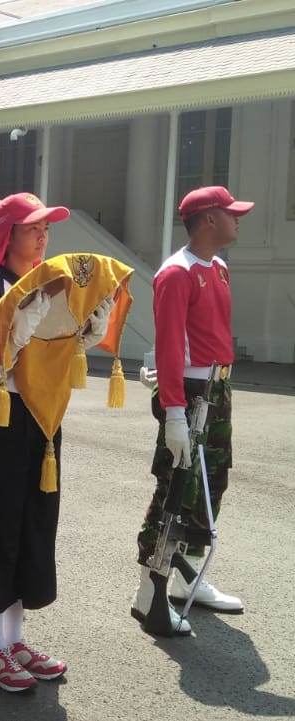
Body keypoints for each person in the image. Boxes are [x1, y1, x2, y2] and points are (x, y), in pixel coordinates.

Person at [0, 193, 118, 693]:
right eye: (33, 228)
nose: (43, 237)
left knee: (31, 525)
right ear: (8, 234)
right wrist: (19, 328)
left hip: (43, 421)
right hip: (4, 418)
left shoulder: (53, 286)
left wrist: (87, 332)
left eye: (46, 229)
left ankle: (15, 639)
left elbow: (59, 350)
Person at [130, 186, 251, 634]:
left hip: (217, 388)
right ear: (208, 220)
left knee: (210, 483)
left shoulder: (218, 267)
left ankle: (187, 578)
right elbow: (168, 346)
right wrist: (174, 412)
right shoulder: (176, 272)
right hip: (191, 391)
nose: (237, 219)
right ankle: (150, 589)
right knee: (176, 488)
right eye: (230, 213)